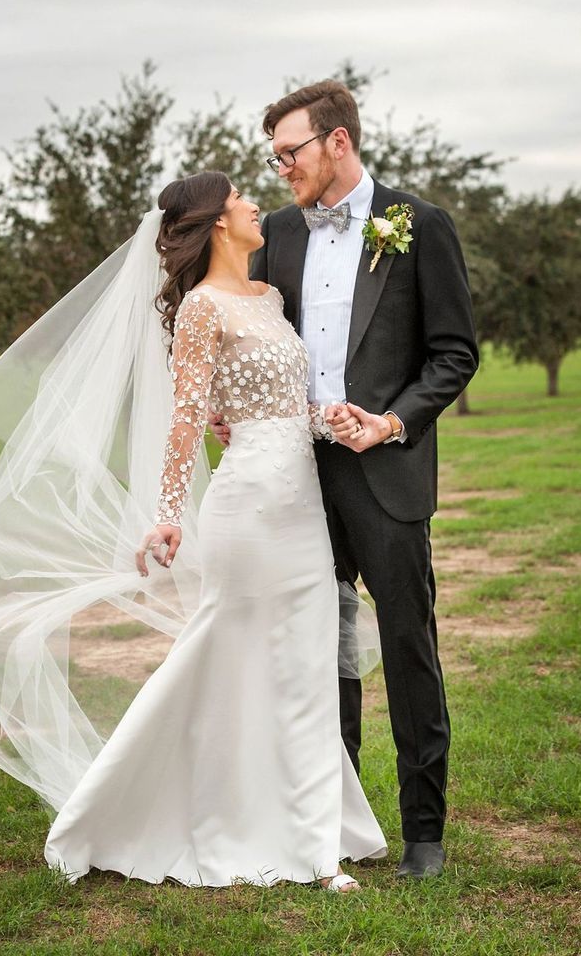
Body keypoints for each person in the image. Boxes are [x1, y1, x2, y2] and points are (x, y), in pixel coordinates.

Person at [0, 171, 386, 892]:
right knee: (223, 651)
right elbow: (187, 419)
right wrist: (168, 514)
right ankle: (123, 807)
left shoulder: (270, 299)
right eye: (240, 197)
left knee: (305, 664)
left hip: (301, 500)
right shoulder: (203, 308)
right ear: (216, 222)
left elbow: (280, 404)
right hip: (248, 508)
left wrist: (326, 419)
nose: (253, 204)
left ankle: (315, 840)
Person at [226, 80, 479, 879]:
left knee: (407, 646)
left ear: (338, 142)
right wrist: (230, 404)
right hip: (296, 474)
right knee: (317, 651)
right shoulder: (273, 234)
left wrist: (391, 421)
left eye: (290, 152)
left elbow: (454, 353)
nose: (281, 169)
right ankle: (331, 826)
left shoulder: (419, 225)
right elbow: (248, 330)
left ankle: (423, 833)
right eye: (272, 157)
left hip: (388, 471)